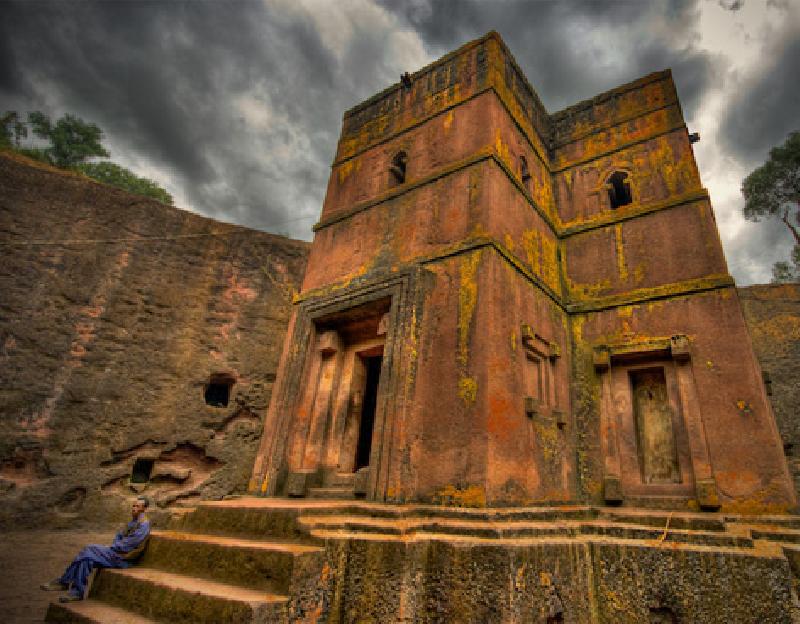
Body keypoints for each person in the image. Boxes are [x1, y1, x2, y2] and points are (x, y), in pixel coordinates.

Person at [40, 496, 151, 602]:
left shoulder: (143, 525)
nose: (134, 508)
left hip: (123, 559)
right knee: (86, 560)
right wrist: (114, 546)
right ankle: (76, 593)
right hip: (115, 554)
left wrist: (112, 547)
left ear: (145, 509)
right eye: (133, 506)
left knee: (90, 548)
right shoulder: (133, 522)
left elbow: (128, 544)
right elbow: (118, 536)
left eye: (137, 506)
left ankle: (64, 582)